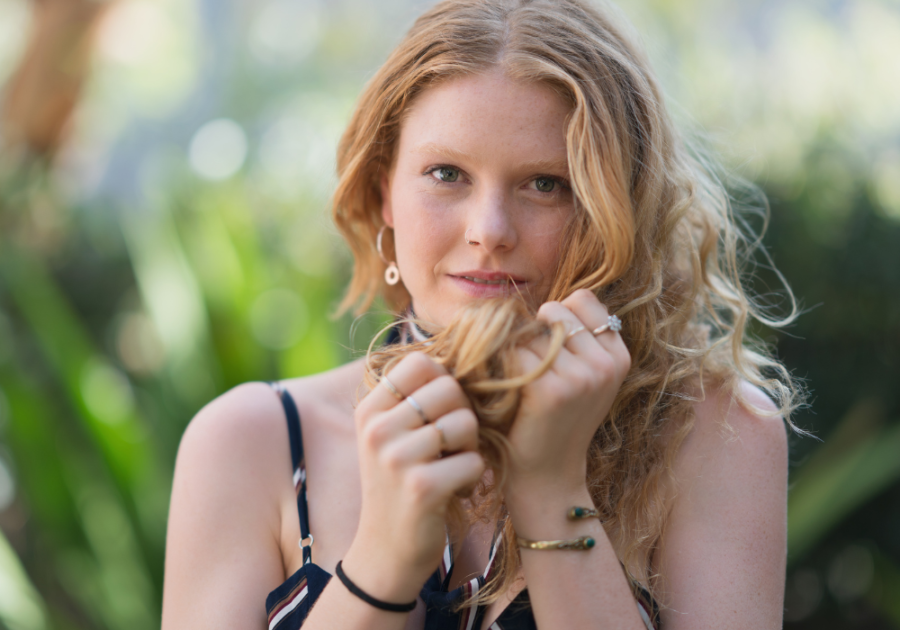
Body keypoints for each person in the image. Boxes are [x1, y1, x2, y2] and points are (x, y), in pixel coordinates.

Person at [161, 0, 800, 628]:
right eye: (446, 173)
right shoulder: (251, 443)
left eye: (545, 184)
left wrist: (553, 491)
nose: (489, 230)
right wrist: (381, 563)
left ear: (618, 206)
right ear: (385, 192)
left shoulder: (717, 435)